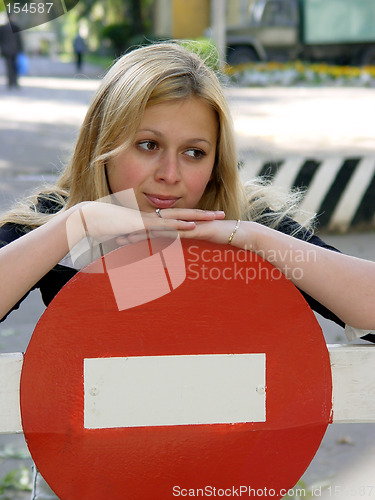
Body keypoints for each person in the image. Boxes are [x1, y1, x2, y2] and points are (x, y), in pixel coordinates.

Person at [0, 41, 374, 498]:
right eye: (148, 145)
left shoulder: (245, 220)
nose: (169, 173)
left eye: (194, 152)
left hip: (226, 483)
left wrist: (253, 239)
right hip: (86, 483)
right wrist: (76, 225)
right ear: (104, 142)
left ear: (217, 160)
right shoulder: (60, 218)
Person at [0, 17, 23, 89]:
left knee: (9, 67)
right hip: (15, 50)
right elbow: (19, 40)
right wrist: (21, 49)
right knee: (15, 66)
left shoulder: (2, 28)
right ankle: (15, 81)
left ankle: (10, 82)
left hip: (6, 50)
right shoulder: (16, 27)